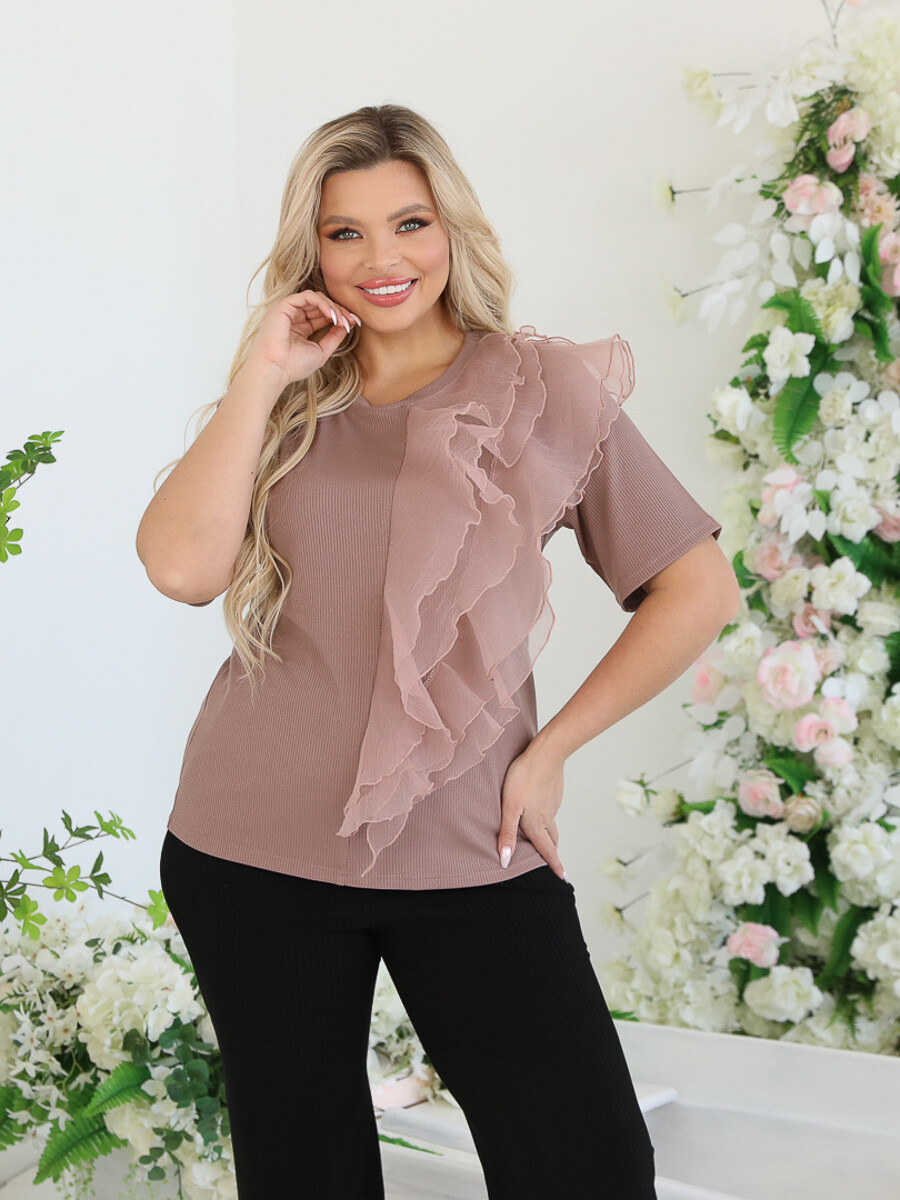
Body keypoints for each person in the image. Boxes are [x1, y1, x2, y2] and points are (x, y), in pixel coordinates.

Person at [138, 102, 740, 1200]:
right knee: (304, 1175)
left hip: (470, 846)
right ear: (314, 250)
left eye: (409, 223)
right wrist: (261, 372)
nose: (383, 259)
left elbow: (696, 588)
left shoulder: (543, 391)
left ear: (452, 228)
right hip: (251, 848)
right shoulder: (289, 397)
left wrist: (551, 750)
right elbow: (181, 571)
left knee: (585, 1166)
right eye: (346, 232)